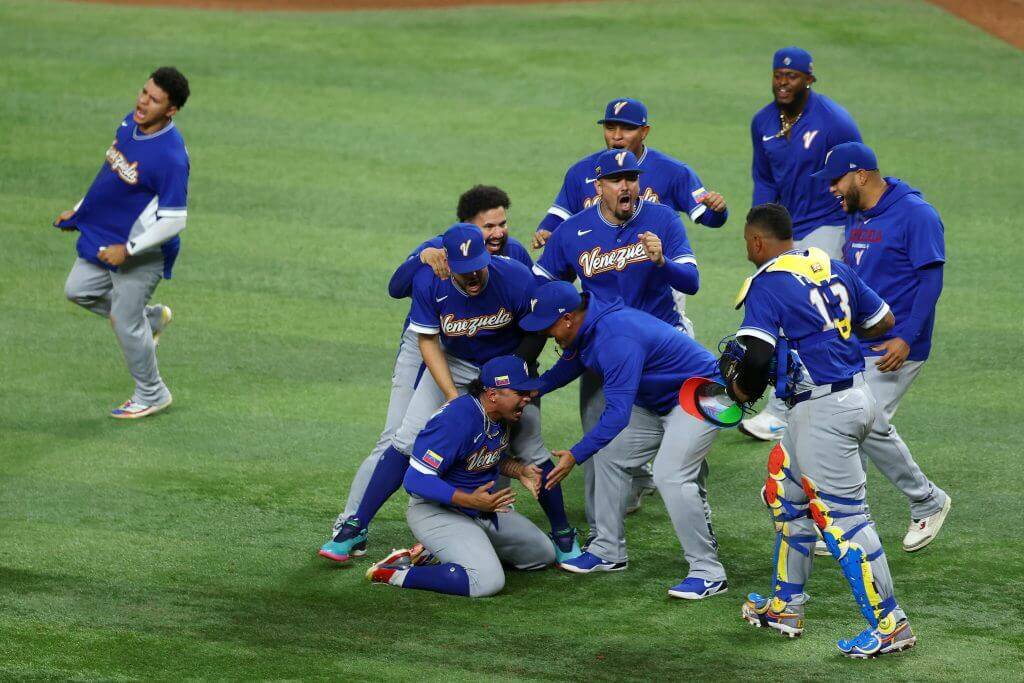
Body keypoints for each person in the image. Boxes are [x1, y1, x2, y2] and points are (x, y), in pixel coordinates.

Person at [320, 225, 581, 565]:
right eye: (464, 268)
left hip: (511, 364)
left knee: (530, 447)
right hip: (453, 363)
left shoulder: (514, 277)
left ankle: (562, 533)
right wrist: (449, 394)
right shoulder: (431, 281)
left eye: (478, 265)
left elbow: (536, 331)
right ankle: (356, 526)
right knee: (406, 439)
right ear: (447, 262)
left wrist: (512, 372)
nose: (473, 274)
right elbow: (427, 340)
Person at [726, 203, 916, 657]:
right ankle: (785, 606)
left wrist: (738, 391)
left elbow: (752, 359)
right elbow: (883, 321)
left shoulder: (766, 283)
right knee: (784, 495)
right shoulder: (829, 264)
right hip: (853, 396)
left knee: (846, 521)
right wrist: (827, 336)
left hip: (824, 413)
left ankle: (892, 625)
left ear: (756, 241)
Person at [534, 97, 729, 512]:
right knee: (603, 426)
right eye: (610, 126)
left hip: (662, 332)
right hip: (599, 337)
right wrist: (544, 236)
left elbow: (705, 223)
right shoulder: (582, 178)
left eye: (625, 127)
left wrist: (714, 213)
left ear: (645, 132)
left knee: (679, 427)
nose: (616, 133)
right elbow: (554, 232)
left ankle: (692, 498)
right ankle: (609, 517)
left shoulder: (666, 196)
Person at [327, 186, 532, 538]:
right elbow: (396, 289)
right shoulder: (438, 252)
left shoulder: (512, 256)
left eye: (502, 223)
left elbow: (526, 316)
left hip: (485, 353)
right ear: (466, 227)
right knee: (399, 435)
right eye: (488, 226)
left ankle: (481, 508)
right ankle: (351, 521)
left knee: (493, 430)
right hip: (433, 343)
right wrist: (422, 257)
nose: (498, 233)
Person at [517, 281, 728, 600]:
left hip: (701, 395)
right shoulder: (589, 325)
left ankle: (708, 572)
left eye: (549, 327)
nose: (547, 334)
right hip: (658, 401)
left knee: (671, 475)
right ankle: (607, 550)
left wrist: (575, 455)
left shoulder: (615, 338)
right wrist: (535, 388)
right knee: (609, 453)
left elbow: (616, 415)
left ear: (569, 318)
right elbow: (572, 362)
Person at [816, 142, 952, 551]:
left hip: (899, 344)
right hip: (857, 340)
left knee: (866, 422)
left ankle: (927, 501)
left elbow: (931, 281)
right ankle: (845, 516)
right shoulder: (857, 215)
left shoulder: (916, 215)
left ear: (860, 175)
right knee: (841, 419)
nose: (831, 190)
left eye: (836, 181)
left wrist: (906, 338)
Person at [741, 47, 863, 441]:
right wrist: (760, 226)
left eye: (791, 76)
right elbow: (764, 178)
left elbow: (856, 176)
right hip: (784, 230)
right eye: (778, 74)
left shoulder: (834, 122)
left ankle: (785, 408)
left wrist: (854, 229)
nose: (782, 82)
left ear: (809, 79)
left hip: (826, 225)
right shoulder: (763, 121)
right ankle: (787, 396)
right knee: (777, 309)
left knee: (809, 313)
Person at [55, 67, 190, 418]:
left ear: (171, 110)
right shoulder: (129, 124)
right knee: (78, 289)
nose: (143, 102)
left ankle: (152, 393)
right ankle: (150, 320)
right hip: (106, 236)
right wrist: (80, 211)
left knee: (124, 320)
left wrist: (128, 250)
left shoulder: (171, 157)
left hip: (143, 251)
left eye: (154, 99)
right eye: (144, 92)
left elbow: (176, 219)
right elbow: (109, 178)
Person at [365, 356, 556, 597]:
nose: (528, 398)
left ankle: (437, 551)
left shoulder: (501, 416)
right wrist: (470, 500)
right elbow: (415, 480)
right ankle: (394, 572)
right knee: (486, 581)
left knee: (542, 554)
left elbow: (485, 455)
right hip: (435, 510)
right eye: (520, 392)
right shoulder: (455, 421)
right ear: (493, 394)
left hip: (480, 509)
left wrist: (519, 471)